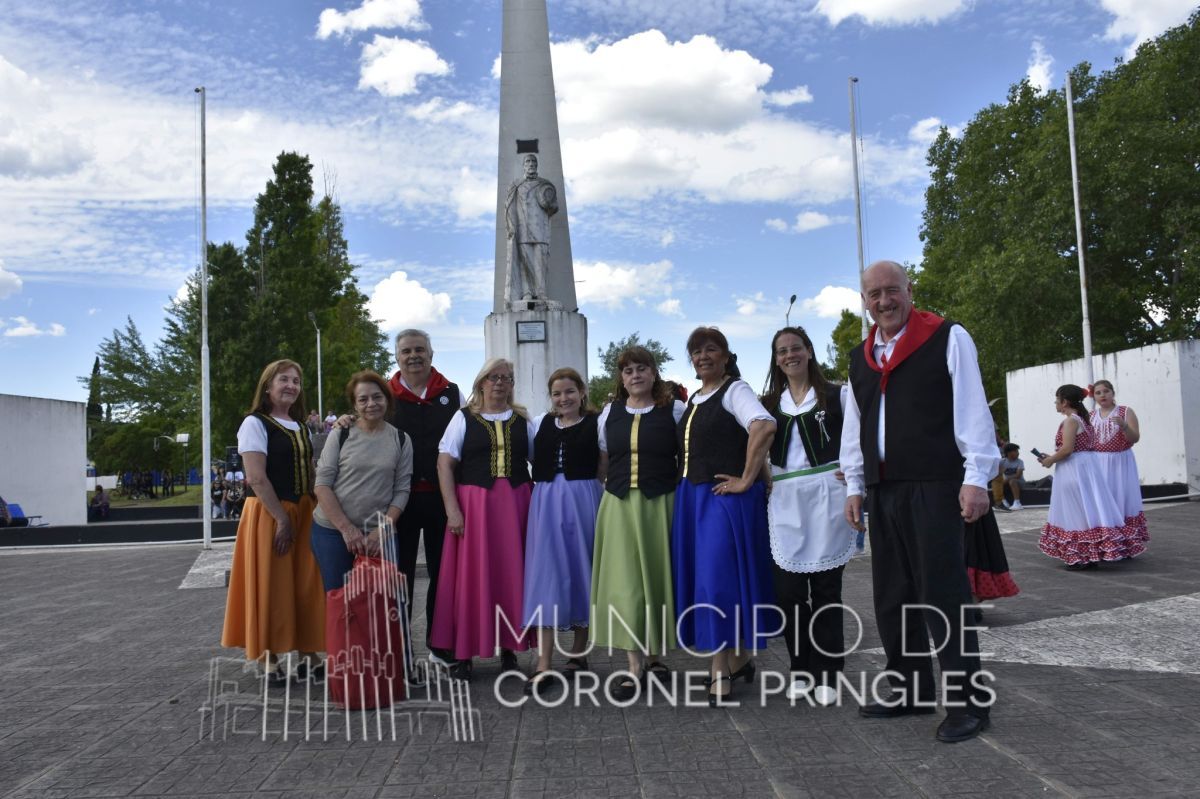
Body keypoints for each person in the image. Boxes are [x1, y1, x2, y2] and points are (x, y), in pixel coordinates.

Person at [841, 260, 998, 743]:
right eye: (874, 295)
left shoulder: (947, 336)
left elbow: (972, 408)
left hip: (934, 484)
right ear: (863, 301)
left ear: (910, 290)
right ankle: (911, 688)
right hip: (884, 489)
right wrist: (853, 483)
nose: (884, 302)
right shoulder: (860, 356)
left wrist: (977, 477)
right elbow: (855, 423)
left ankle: (969, 703)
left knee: (943, 595)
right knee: (892, 594)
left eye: (892, 291)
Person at [672, 327, 776, 707]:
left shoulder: (736, 390)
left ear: (726, 355)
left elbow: (763, 426)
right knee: (708, 581)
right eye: (696, 352)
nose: (703, 357)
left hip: (722, 499)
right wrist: (759, 475)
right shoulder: (695, 398)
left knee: (715, 584)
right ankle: (740, 659)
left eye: (711, 350)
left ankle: (720, 673)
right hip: (692, 499)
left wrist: (747, 478)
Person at [761, 326, 855, 705]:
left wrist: (854, 472)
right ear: (776, 359)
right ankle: (800, 668)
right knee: (790, 593)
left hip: (827, 496)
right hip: (784, 498)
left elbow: (859, 437)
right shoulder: (768, 404)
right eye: (782, 351)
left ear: (809, 351)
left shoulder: (837, 395)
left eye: (795, 348)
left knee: (827, 591)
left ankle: (829, 674)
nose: (789, 356)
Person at [220, 359, 325, 683]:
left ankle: (308, 654)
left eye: (296, 380)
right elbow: (256, 477)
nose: (291, 385)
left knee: (307, 584)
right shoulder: (255, 423)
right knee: (271, 585)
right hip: (269, 513)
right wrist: (281, 518)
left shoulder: (301, 426)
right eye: (284, 379)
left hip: (304, 509)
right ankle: (268, 657)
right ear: (268, 386)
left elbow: (310, 470)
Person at [591, 346, 686, 700]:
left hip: (660, 503)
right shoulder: (608, 413)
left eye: (641, 368)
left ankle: (655, 655)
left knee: (657, 579)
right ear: (621, 377)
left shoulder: (674, 410)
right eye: (628, 370)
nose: (635, 375)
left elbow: (686, 456)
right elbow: (603, 461)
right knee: (627, 583)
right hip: (617, 505)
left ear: (653, 372)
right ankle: (634, 665)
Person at [430, 358, 533, 679]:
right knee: (472, 579)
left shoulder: (523, 420)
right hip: (474, 507)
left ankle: (509, 649)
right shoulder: (462, 419)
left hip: (516, 505)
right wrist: (452, 510)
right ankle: (465, 652)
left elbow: (538, 459)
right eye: (493, 377)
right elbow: (444, 464)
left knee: (510, 576)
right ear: (481, 383)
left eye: (506, 378)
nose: (500, 383)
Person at [521, 368, 603, 694]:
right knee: (547, 575)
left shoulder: (597, 423)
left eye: (569, 391)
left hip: (585, 498)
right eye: (557, 393)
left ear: (581, 392)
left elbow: (605, 463)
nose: (563, 398)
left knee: (584, 570)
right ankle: (543, 664)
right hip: (545, 501)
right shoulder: (539, 423)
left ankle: (579, 654)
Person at [311, 371, 412, 592]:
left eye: (377, 397)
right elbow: (322, 485)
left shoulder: (402, 440)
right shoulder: (340, 434)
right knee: (340, 604)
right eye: (363, 399)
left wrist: (382, 530)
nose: (371, 404)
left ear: (387, 399)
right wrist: (347, 529)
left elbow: (402, 491)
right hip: (333, 532)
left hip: (380, 534)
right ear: (355, 405)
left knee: (381, 607)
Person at [1036, 384, 1136, 568]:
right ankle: (1089, 554)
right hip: (1084, 467)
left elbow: (1067, 449)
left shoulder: (1071, 421)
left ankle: (1081, 556)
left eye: (1057, 400)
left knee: (1075, 511)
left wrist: (1050, 460)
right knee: (1085, 509)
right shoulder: (1084, 419)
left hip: (1073, 469)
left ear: (1064, 402)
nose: (1055, 404)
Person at [1090, 380, 1148, 551]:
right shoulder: (1091, 415)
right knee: (1101, 501)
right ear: (1094, 396)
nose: (1102, 395)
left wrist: (1124, 426)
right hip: (1098, 462)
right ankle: (1105, 542)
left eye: (1106, 391)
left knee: (1121, 499)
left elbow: (1135, 438)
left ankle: (1124, 543)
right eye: (1098, 393)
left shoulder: (1125, 411)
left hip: (1120, 462)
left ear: (1113, 393)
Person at [504, 153, 558, 305]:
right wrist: (511, 226)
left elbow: (554, 207)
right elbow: (509, 208)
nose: (531, 164)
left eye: (534, 161)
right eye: (528, 161)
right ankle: (527, 292)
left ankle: (541, 293)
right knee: (525, 264)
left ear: (537, 165)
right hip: (523, 229)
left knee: (541, 262)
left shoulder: (545, 185)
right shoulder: (516, 185)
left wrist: (548, 204)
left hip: (540, 229)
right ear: (523, 165)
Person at [999, 444, 1025, 509]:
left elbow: (1018, 475)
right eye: (1016, 451)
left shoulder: (1020, 462)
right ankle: (1003, 502)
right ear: (1009, 453)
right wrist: (1000, 472)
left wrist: (1006, 479)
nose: (1018, 453)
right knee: (997, 482)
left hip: (1019, 482)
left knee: (1012, 481)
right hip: (1007, 482)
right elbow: (997, 474)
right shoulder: (1002, 462)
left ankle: (1017, 503)